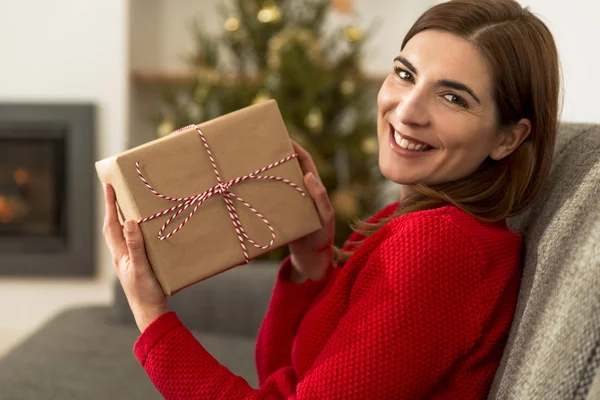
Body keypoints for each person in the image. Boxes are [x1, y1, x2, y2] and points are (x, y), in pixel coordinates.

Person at [101, 0, 560, 398]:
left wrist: (151, 315)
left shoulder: (442, 246)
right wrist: (312, 266)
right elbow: (284, 376)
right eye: (405, 74)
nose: (406, 110)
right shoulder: (408, 218)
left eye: (453, 98)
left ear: (507, 138)